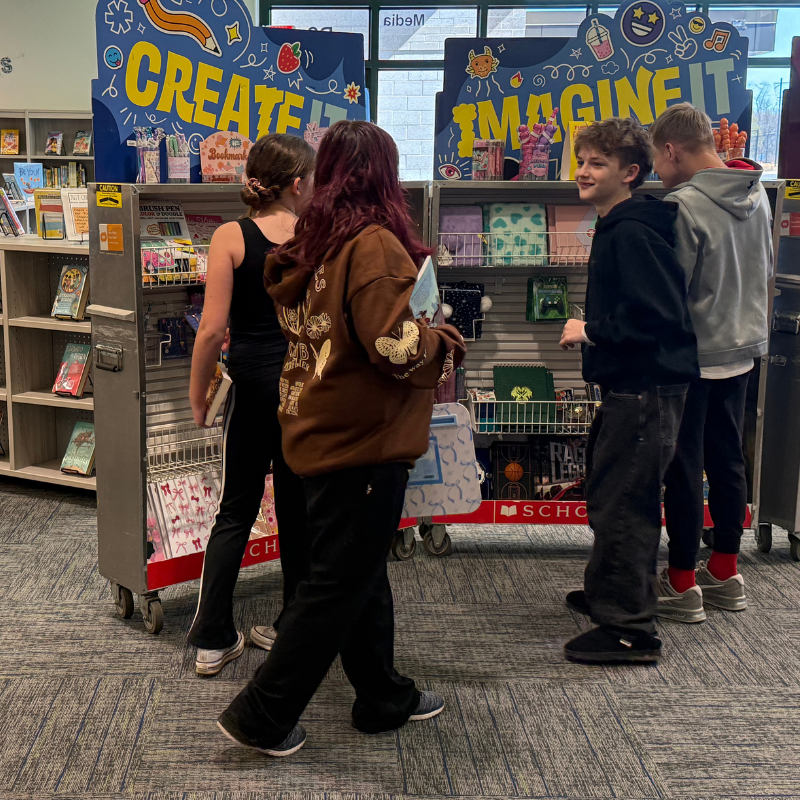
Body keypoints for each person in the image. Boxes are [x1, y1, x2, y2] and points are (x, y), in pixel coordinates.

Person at [216, 120, 466, 757]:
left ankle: (383, 694)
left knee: (357, 573)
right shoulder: (374, 244)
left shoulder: (313, 243)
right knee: (333, 585)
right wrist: (443, 342)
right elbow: (395, 345)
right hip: (365, 442)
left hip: (317, 426)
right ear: (383, 176)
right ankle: (261, 716)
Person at [559, 117, 698, 664]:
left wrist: (591, 330)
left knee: (625, 504)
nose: (584, 171)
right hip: (635, 387)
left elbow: (662, 316)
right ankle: (608, 594)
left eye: (598, 163)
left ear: (630, 172)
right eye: (583, 160)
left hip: (645, 389)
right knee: (611, 490)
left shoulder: (632, 230)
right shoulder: (620, 224)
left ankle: (628, 630)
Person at [187, 133, 315, 676]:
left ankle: (213, 637)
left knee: (236, 509)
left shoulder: (230, 237)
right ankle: (294, 626)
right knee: (296, 508)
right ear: (296, 184)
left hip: (250, 386)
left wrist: (198, 397)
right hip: (304, 388)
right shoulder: (318, 235)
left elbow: (213, 330)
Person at [650, 103, 773, 622]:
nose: (656, 169)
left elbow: (672, 292)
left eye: (657, 159)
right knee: (728, 462)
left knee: (683, 467)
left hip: (694, 355)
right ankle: (725, 571)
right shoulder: (755, 194)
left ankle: (680, 582)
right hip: (744, 349)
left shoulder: (682, 206)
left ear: (672, 150)